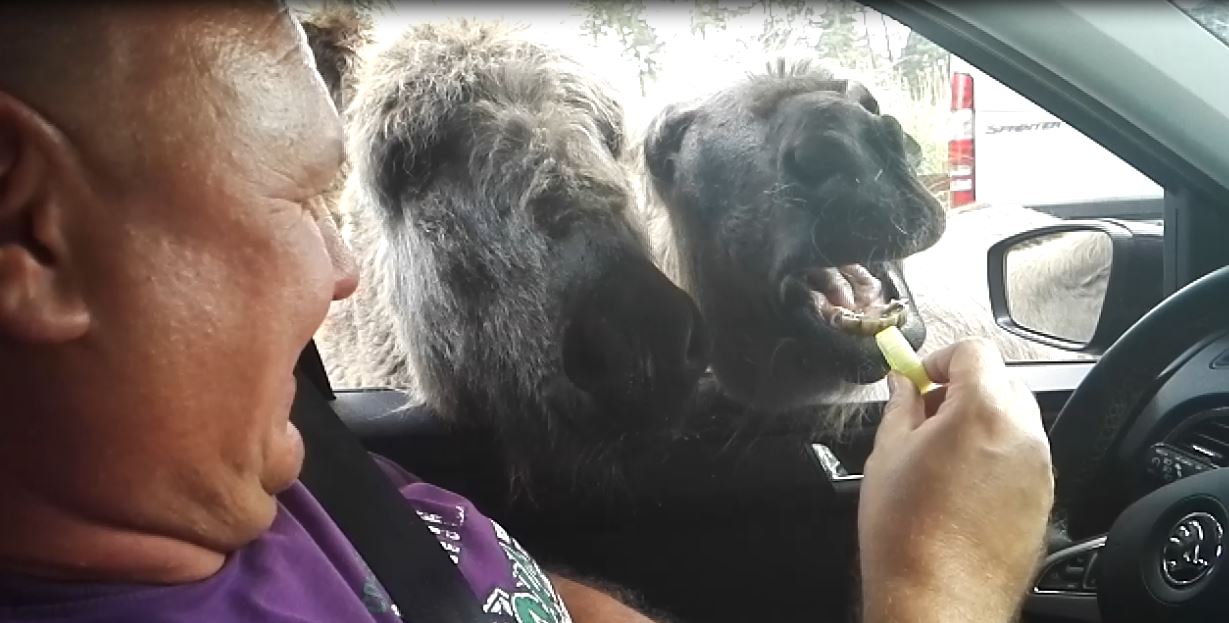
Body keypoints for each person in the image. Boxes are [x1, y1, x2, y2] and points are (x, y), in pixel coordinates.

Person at [0, 3, 1054, 622]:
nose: (343, 271)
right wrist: (940, 576)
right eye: (299, 197)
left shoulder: (285, 483)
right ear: (31, 233)